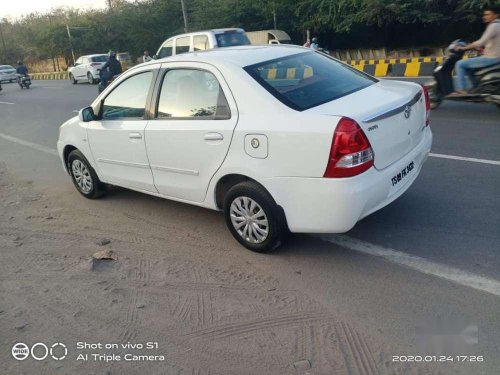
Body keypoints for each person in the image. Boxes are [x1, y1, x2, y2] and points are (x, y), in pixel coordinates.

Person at [451, 5, 500, 95]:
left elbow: (481, 41)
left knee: (460, 64)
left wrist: (463, 47)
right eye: (484, 15)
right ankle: (477, 88)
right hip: (495, 56)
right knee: (469, 67)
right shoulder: (497, 25)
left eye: (488, 14)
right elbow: (491, 44)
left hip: (492, 58)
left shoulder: (494, 26)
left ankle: (462, 89)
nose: (485, 17)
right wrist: (478, 49)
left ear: (496, 15)